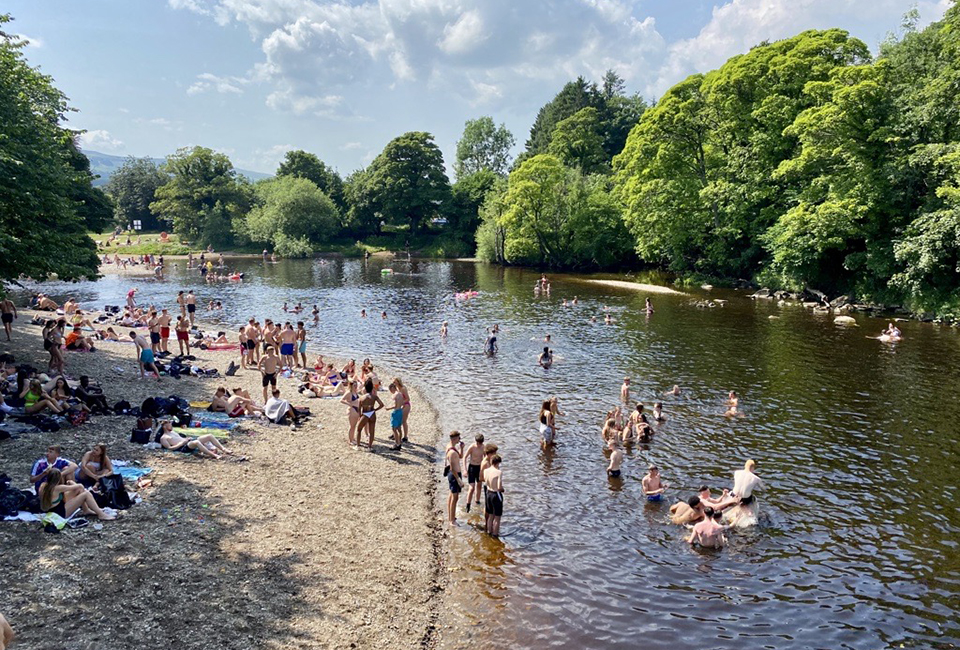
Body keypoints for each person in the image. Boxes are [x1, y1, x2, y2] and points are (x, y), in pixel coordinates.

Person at [40, 468, 115, 521]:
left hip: (50, 509)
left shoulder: (43, 486)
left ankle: (86, 510)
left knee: (79, 490)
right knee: (86, 494)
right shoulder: (58, 488)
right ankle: (101, 514)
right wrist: (71, 482)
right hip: (59, 513)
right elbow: (80, 486)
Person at [158, 421, 235, 459]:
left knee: (209, 436)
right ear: (164, 427)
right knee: (197, 442)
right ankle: (214, 455)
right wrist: (182, 443)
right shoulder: (164, 438)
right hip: (182, 447)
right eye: (169, 425)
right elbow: (169, 448)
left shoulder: (173, 432)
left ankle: (224, 449)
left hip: (187, 442)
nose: (171, 426)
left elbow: (181, 438)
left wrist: (186, 439)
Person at [726, 459, 763, 527]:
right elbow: (763, 488)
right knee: (753, 498)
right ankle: (748, 512)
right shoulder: (756, 478)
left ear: (745, 465)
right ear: (753, 468)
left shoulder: (736, 472)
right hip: (745, 499)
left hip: (734, 495)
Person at [356, 378, 384, 451]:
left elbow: (359, 409)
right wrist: (375, 409)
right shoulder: (374, 397)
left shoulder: (362, 398)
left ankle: (358, 446)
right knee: (372, 431)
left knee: (359, 429)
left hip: (365, 413)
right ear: (372, 388)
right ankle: (369, 447)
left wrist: (360, 416)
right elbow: (381, 404)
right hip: (372, 413)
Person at [445, 431, 464, 525]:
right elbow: (452, 468)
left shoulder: (449, 446)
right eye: (458, 438)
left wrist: (461, 448)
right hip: (454, 475)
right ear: (454, 439)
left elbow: (460, 456)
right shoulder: (452, 452)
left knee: (451, 495)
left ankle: (451, 516)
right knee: (455, 497)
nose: (459, 440)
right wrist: (459, 480)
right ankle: (452, 520)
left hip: (453, 474)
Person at [462, 434, 485, 512]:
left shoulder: (483, 447)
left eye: (480, 443)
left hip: (480, 468)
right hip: (472, 467)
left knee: (479, 486)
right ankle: (468, 505)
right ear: (476, 442)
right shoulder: (472, 447)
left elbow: (485, 459)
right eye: (478, 443)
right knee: (471, 488)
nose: (479, 445)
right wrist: (465, 470)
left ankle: (477, 502)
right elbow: (465, 457)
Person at [483, 454, 504, 536]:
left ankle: (489, 531)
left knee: (491, 515)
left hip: (488, 493)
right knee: (497, 517)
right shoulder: (499, 472)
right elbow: (499, 487)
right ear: (497, 463)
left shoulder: (486, 471)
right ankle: (495, 534)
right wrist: (503, 489)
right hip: (496, 494)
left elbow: (486, 481)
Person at [394, 377, 412, 442]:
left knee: (403, 421)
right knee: (397, 419)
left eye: (395, 382)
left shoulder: (403, 389)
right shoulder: (397, 389)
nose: (394, 384)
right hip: (401, 406)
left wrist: (401, 403)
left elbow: (408, 398)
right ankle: (395, 433)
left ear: (398, 382)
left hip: (406, 405)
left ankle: (405, 436)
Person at [388, 382, 404, 450]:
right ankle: (399, 443)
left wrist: (388, 408)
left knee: (394, 429)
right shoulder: (400, 394)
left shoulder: (395, 395)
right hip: (400, 411)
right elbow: (402, 403)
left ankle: (397, 444)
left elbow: (395, 405)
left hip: (396, 412)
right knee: (399, 428)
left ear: (392, 388)